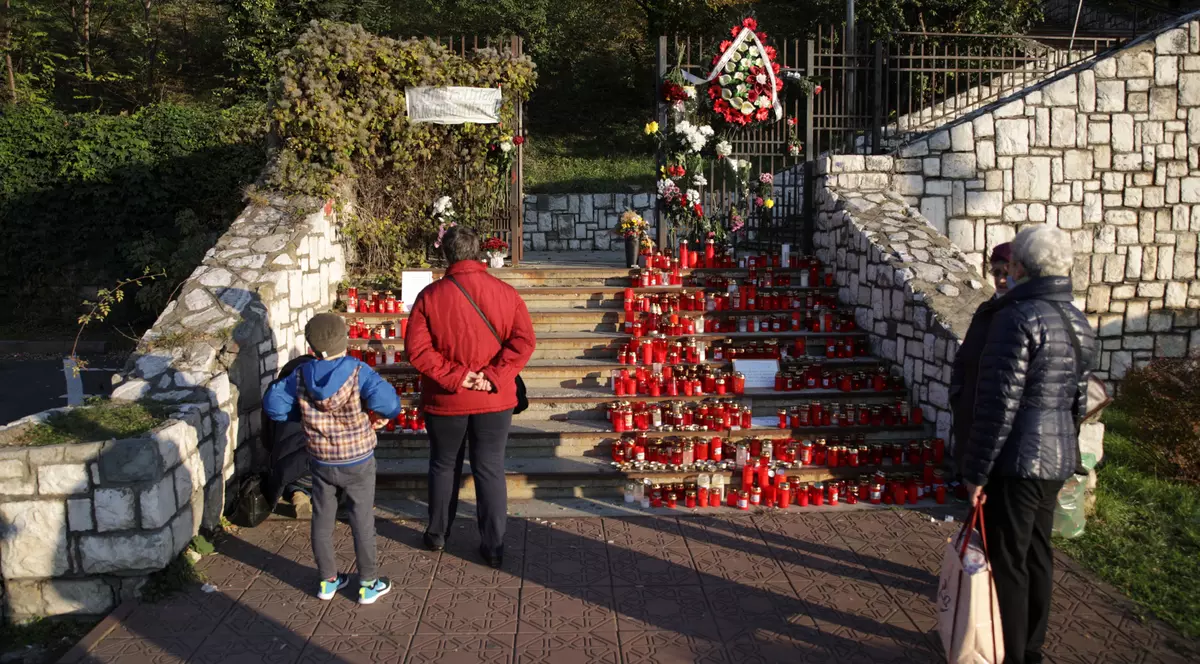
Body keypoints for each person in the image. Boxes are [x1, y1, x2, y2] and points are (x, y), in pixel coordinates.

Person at [959, 225, 1096, 664]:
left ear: (1020, 267)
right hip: (1055, 457)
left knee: (1009, 562)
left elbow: (998, 403)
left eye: (1010, 264)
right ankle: (1032, 646)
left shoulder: (1015, 318)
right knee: (1039, 552)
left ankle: (1012, 653)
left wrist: (977, 472)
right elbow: (1078, 397)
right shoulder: (1075, 319)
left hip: (1017, 461)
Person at [404, 226, 535, 567]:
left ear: (445, 254)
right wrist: (491, 377)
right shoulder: (506, 293)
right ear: (478, 251)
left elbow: (417, 351)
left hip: (446, 398)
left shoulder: (430, 297)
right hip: (494, 397)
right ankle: (493, 545)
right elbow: (523, 342)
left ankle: (436, 535)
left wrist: (458, 376)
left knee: (443, 464)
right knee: (489, 468)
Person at [263, 313, 402, 604]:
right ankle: (368, 583)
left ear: (311, 345)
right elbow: (390, 404)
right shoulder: (357, 370)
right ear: (345, 339)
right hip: (358, 458)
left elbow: (274, 407)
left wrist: (300, 415)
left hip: (321, 460)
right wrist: (373, 415)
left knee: (322, 519)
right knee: (361, 519)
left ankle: (327, 581)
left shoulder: (300, 375)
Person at [950, 242, 1013, 458]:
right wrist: (957, 395)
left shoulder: (1025, 314)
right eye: (996, 273)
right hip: (971, 409)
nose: (1001, 280)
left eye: (1007, 273)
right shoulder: (985, 310)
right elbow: (965, 355)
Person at [262, 354, 316, 518]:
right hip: (318, 464)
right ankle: (312, 494)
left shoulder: (275, 393)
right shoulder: (320, 393)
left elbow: (266, 437)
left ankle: (297, 494)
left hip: (286, 465)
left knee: (290, 471)